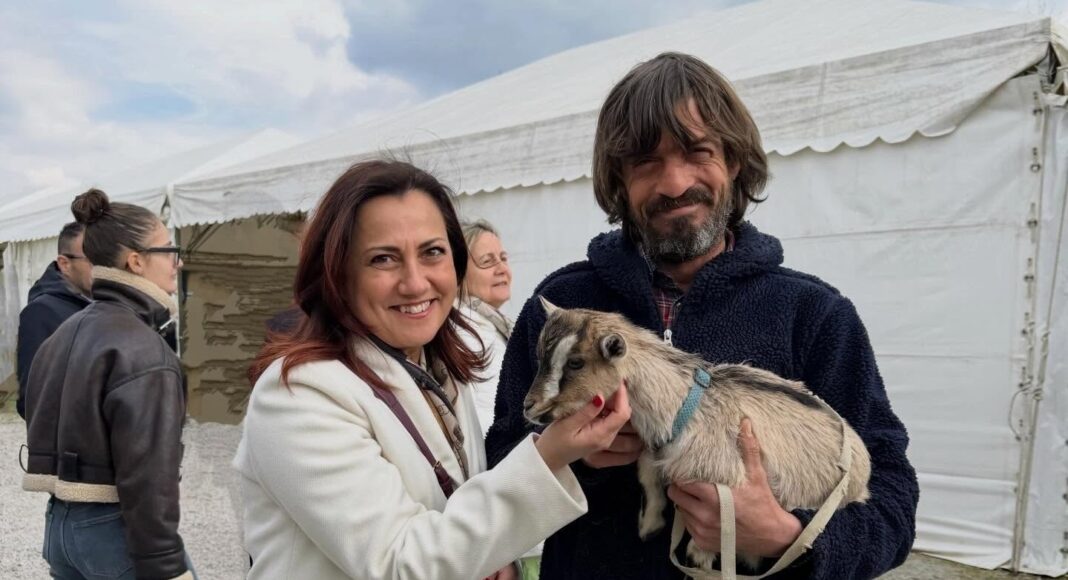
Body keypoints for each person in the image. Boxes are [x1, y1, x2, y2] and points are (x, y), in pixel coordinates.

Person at [485, 52, 919, 579]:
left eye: (698, 152)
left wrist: (791, 536)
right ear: (618, 180)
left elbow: (891, 497)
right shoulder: (563, 304)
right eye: (646, 162)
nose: (673, 183)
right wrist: (568, 459)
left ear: (733, 161)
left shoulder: (813, 315)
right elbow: (502, 453)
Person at [236, 160, 631, 580]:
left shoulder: (439, 370)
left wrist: (496, 557)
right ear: (338, 273)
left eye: (432, 252)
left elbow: (458, 513)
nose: (415, 282)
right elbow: (401, 563)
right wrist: (549, 455)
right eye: (383, 258)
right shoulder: (297, 396)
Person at [22, 188, 194, 580]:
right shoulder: (144, 348)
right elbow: (149, 474)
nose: (178, 262)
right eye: (168, 249)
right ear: (136, 261)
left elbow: (36, 413)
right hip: (114, 530)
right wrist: (167, 565)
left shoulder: (63, 331)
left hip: (59, 525)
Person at [15, 221, 92, 419]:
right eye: (93, 260)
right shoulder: (40, 313)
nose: (102, 267)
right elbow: (31, 400)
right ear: (65, 263)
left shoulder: (104, 304)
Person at [458, 219, 514, 435]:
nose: (501, 269)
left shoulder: (490, 324)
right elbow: (482, 420)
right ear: (459, 273)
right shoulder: (464, 333)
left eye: (503, 259)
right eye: (487, 262)